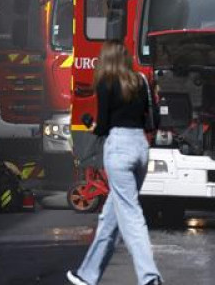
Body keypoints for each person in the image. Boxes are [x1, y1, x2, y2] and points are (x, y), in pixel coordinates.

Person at [67, 42, 163, 285]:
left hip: (119, 147)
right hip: (140, 146)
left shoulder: (106, 83)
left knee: (130, 216)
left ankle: (150, 278)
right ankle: (87, 276)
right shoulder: (140, 81)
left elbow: (103, 126)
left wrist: (90, 124)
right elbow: (153, 121)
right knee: (109, 218)